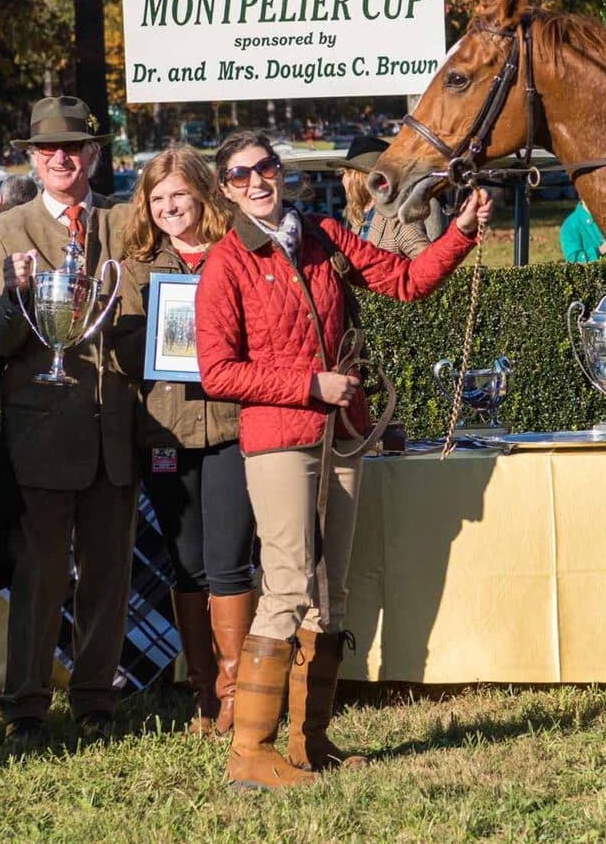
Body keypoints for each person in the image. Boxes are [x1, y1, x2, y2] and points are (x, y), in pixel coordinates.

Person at [195, 131, 491, 788]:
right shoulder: (226, 262)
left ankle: (309, 739)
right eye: (240, 175)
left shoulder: (324, 233)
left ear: (279, 170)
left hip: (344, 432)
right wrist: (308, 385)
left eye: (264, 167)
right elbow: (217, 371)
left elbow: (408, 280)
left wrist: (463, 231)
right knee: (289, 582)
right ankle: (249, 752)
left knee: (330, 594)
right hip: (280, 437)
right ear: (226, 189)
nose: (256, 181)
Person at [0, 96, 137, 745]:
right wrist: (16, 297)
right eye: (48, 148)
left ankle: (95, 698)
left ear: (94, 155)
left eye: (74, 147)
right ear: (30, 157)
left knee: (109, 573)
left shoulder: (125, 218)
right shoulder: (5, 229)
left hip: (116, 429)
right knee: (40, 576)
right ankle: (25, 704)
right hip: (41, 432)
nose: (61, 157)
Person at [115, 145, 254, 737]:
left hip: (228, 427)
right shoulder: (137, 266)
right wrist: (155, 345)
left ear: (203, 194)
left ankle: (236, 694)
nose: (170, 206)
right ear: (147, 205)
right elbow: (121, 352)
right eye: (158, 197)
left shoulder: (237, 253)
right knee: (186, 564)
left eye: (180, 194)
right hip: (165, 433)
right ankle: (202, 694)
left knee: (227, 562)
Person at [335, 136, 432, 258]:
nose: (342, 179)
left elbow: (429, 262)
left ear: (357, 177)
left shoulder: (396, 217)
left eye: (345, 173)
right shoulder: (358, 220)